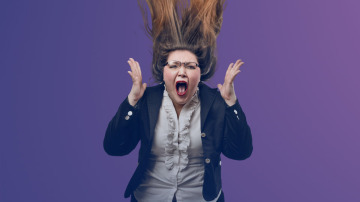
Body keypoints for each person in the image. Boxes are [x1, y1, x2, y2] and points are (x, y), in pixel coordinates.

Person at [103, 0, 253, 201]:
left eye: (190, 67)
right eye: (174, 65)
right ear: (162, 71)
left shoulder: (216, 102)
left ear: (200, 74)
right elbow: (114, 148)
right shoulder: (146, 101)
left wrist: (231, 104)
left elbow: (240, 152)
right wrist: (132, 101)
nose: (182, 71)